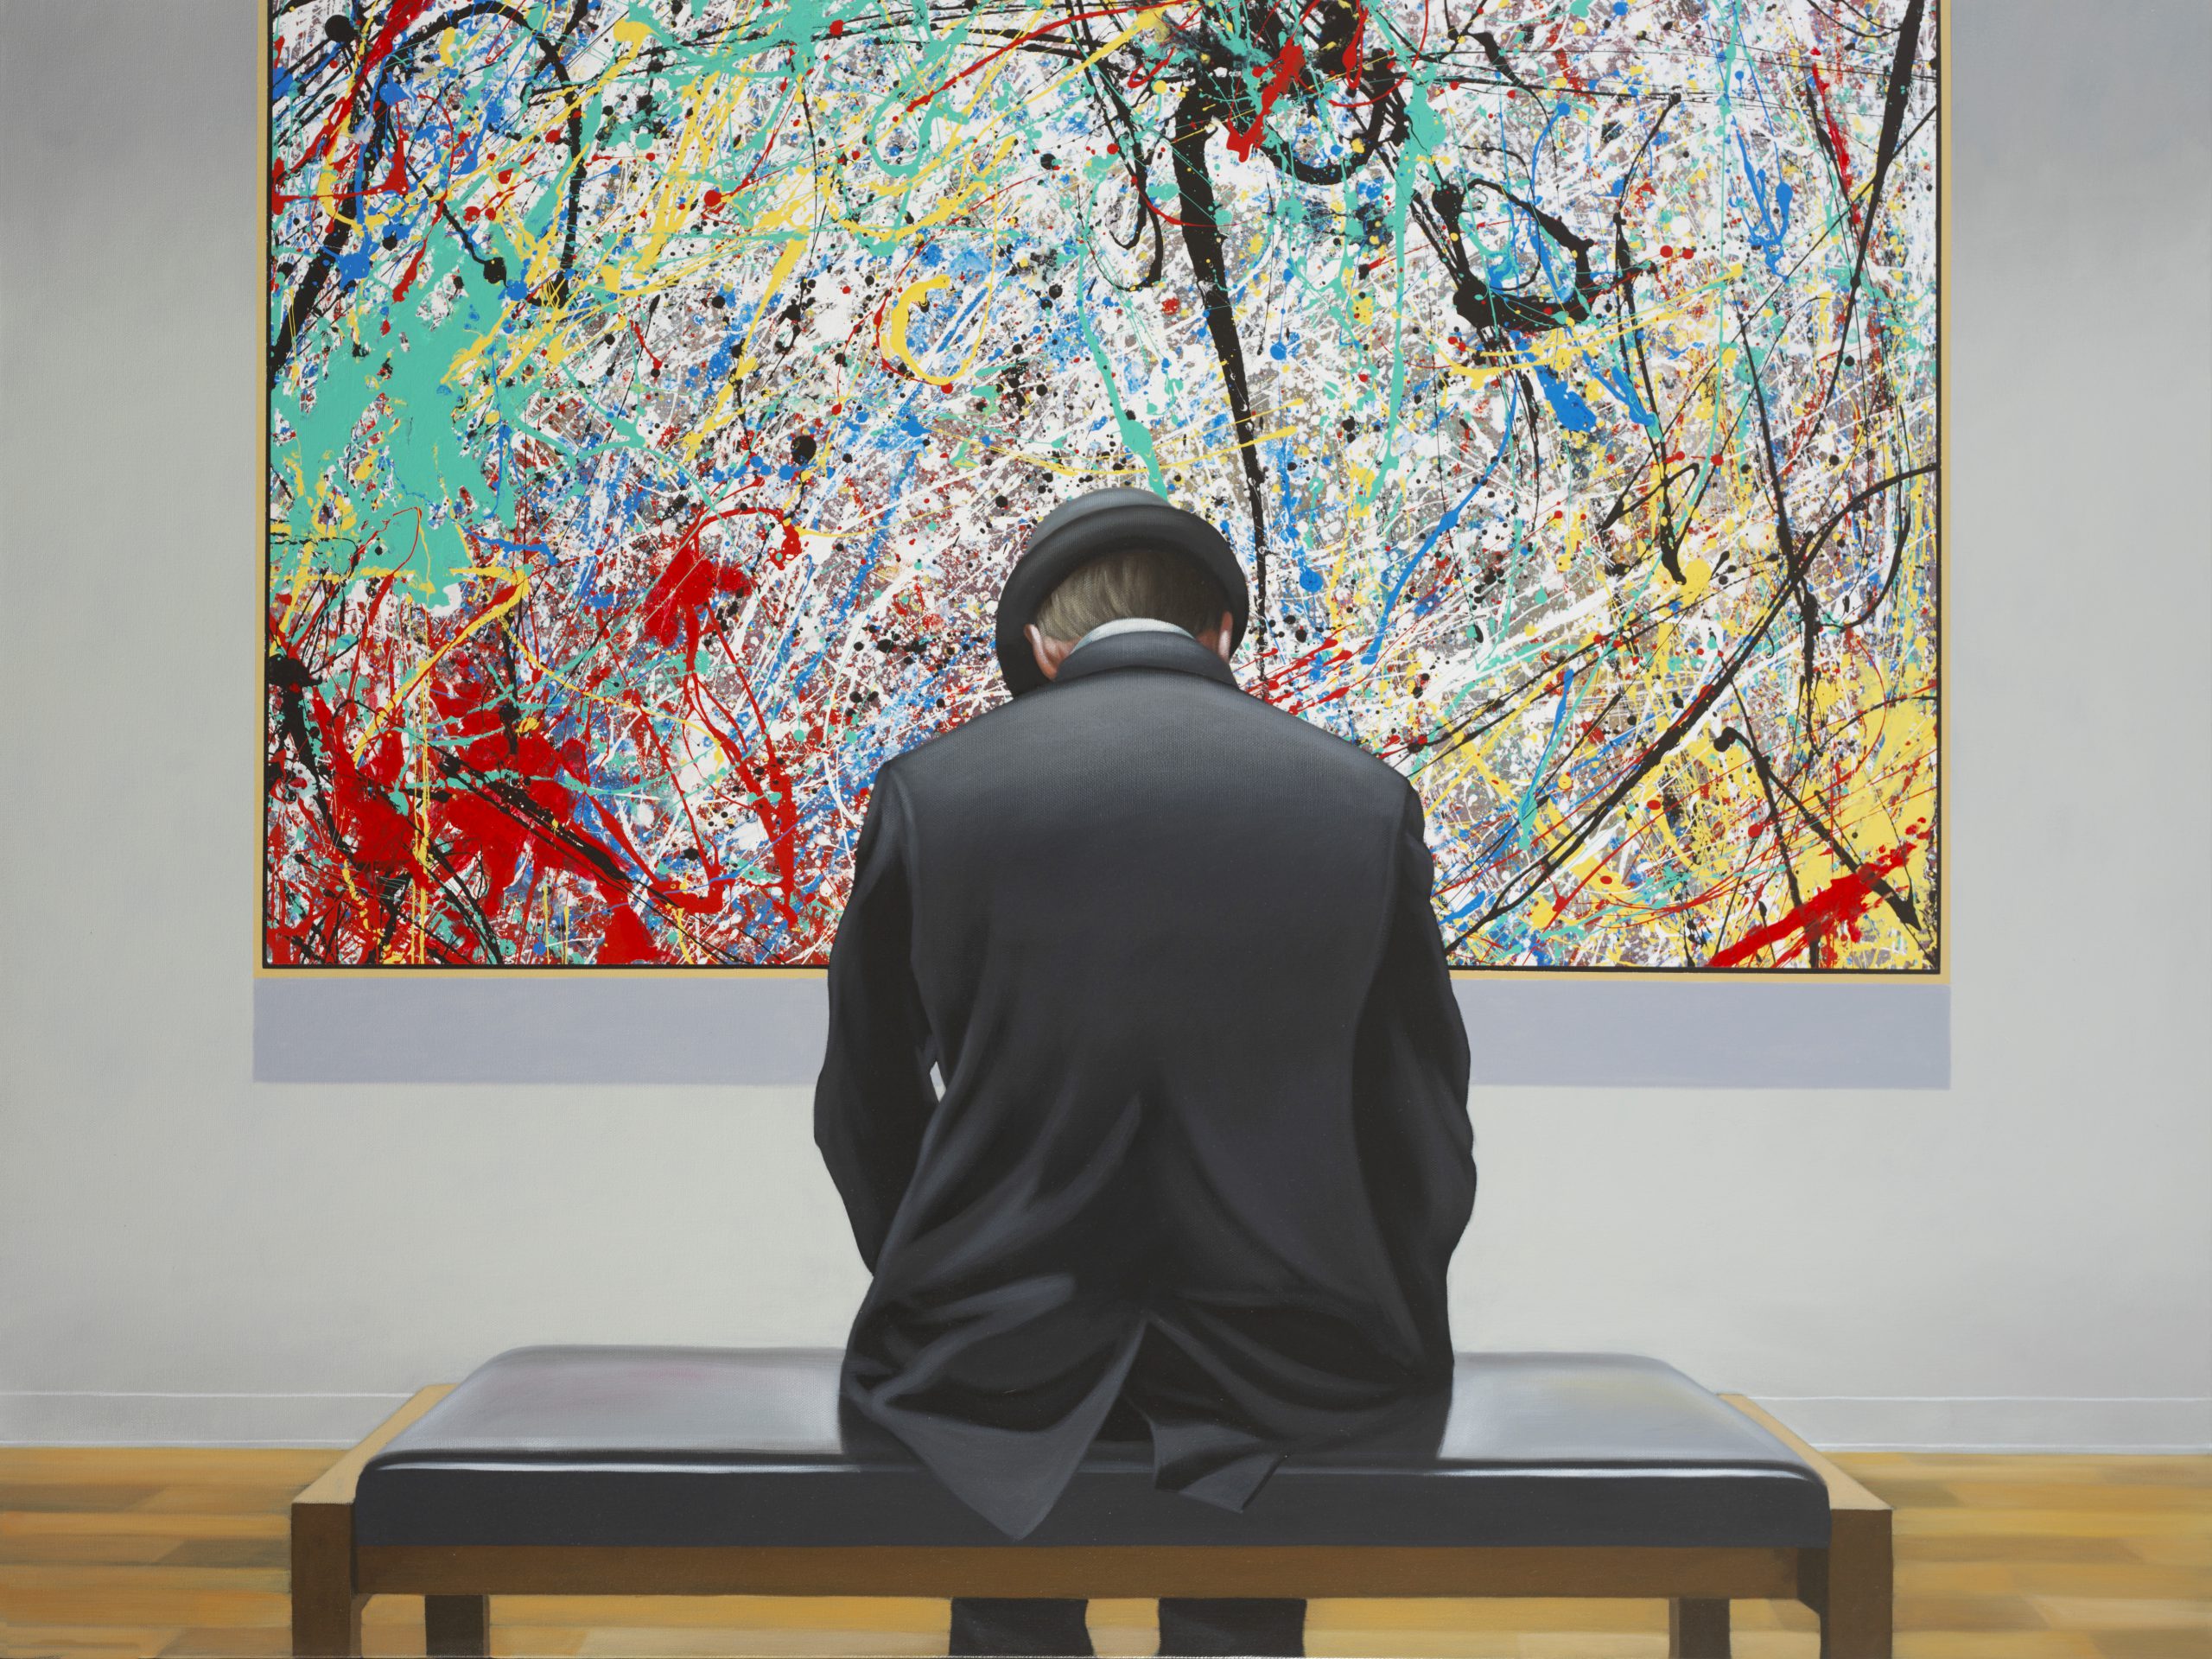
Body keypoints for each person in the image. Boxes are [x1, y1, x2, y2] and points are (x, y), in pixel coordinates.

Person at [815, 487, 1476, 1657]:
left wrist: (947, 1267)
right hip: (1295, 1355)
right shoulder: (1361, 801)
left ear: (1042, 647)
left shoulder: (933, 793)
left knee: (1006, 1610)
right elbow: (1422, 1116)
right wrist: (1373, 1294)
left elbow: (861, 1105)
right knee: (1242, 1618)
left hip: (990, 1354)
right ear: (1220, 633)